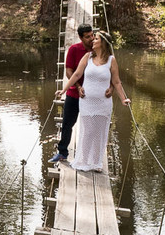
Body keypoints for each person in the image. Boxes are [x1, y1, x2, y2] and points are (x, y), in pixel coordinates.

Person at [54, 31, 130, 173]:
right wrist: (63, 90)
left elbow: (116, 81)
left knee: (100, 132)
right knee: (88, 131)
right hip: (87, 102)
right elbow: (76, 74)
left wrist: (123, 98)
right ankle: (83, 161)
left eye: (96, 39)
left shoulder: (111, 60)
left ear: (103, 43)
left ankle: (96, 163)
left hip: (103, 103)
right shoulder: (87, 57)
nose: (93, 41)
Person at [49, 24, 95, 164]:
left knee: (91, 126)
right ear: (81, 38)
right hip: (74, 93)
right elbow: (69, 71)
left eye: (92, 35)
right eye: (87, 37)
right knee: (67, 123)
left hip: (92, 95)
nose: (91, 39)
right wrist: (77, 86)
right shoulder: (74, 49)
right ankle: (62, 153)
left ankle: (89, 156)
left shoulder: (98, 49)